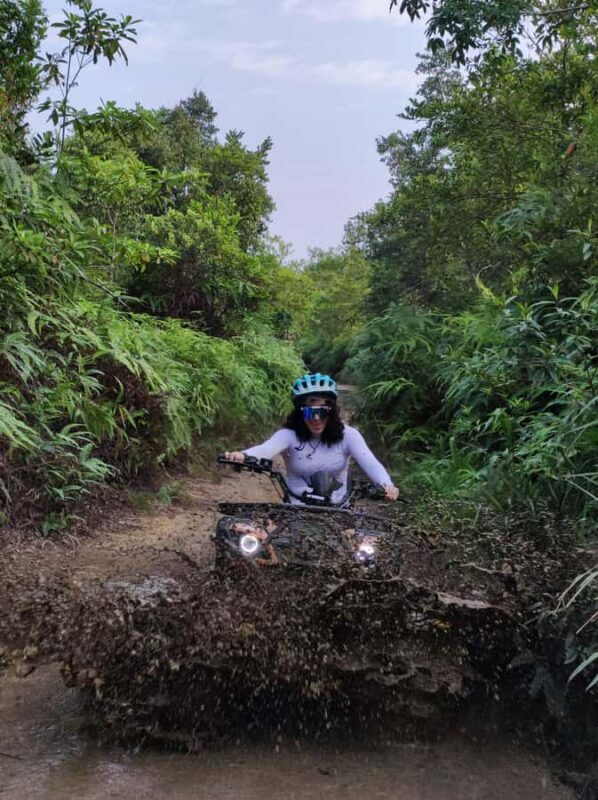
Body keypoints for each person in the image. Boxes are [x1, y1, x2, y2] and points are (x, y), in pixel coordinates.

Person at [225, 372, 399, 505]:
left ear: (331, 411)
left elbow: (371, 463)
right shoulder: (288, 435)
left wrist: (387, 485)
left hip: (340, 511)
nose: (315, 418)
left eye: (321, 411)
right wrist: (242, 455)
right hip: (296, 508)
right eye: (309, 412)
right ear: (300, 413)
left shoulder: (349, 435)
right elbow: (265, 449)